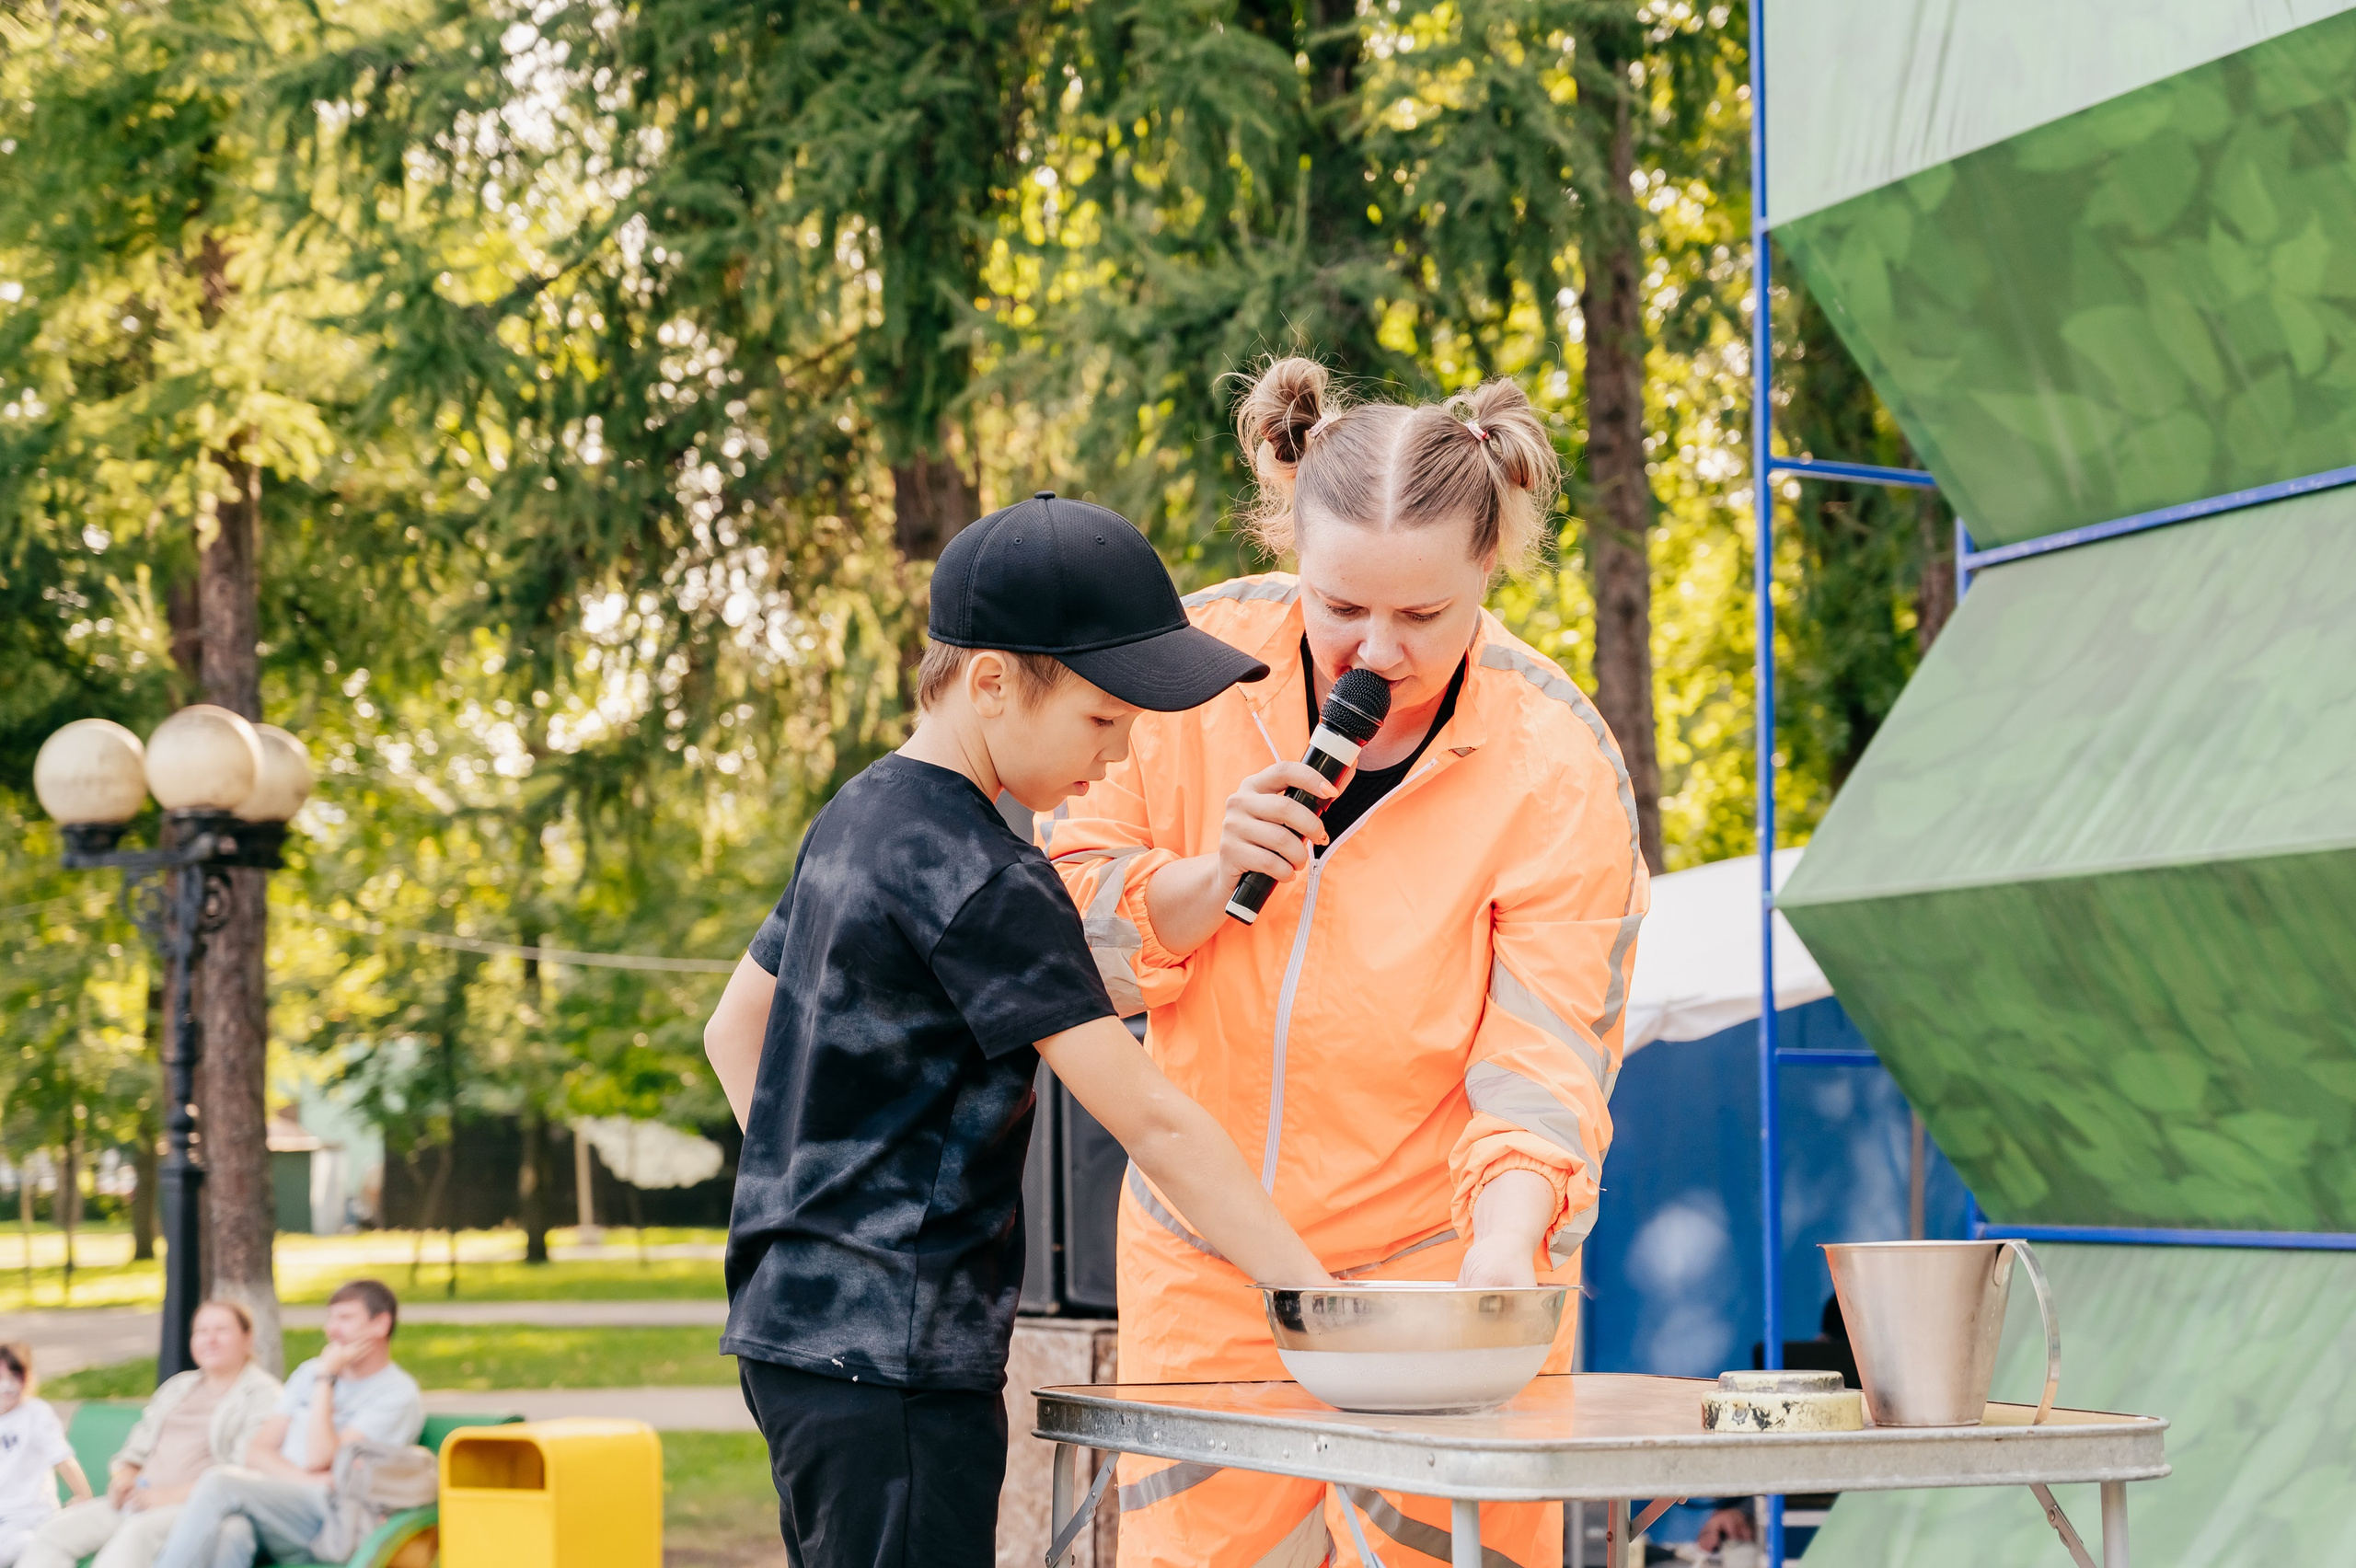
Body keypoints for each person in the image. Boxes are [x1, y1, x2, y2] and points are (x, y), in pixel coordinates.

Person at [1046, 359, 1648, 1568]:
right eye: (1339, 608)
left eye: (1422, 615)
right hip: (1206, 1267)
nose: (1376, 649)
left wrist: (1497, 1270)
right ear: (1289, 547)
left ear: (1492, 562)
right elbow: (1063, 922)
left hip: (1439, 1278)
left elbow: (1546, 1060)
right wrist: (1198, 885)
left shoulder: (1559, 761)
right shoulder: (1186, 671)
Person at [700, 491, 1332, 1568]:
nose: (1120, 755)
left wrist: (823, 1197)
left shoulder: (859, 816)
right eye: (1102, 720)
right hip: (899, 1360)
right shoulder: (991, 877)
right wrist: (1319, 1306)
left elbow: (734, 1025)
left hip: (796, 1335)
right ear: (990, 681)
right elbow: (1153, 1122)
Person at [148, 1281, 423, 1568]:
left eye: (345, 1318)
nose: (331, 1329)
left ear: (381, 1324)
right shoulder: (309, 1372)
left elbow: (322, 1460)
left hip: (331, 1520)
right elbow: (256, 1452)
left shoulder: (396, 1394)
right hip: (278, 1503)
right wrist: (301, 1479)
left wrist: (326, 1380)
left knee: (219, 1482)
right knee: (233, 1532)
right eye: (330, 1318)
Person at [20, 1303, 279, 1568]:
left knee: (134, 1536)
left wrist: (168, 1496)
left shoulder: (262, 1395)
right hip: (139, 1500)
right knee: (53, 1534)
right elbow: (136, 1449)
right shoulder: (178, 1387)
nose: (209, 1340)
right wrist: (124, 1478)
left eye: (221, 1330)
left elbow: (243, 1470)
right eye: (201, 1331)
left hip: (197, 1508)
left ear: (248, 1339)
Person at [0, 1344, 89, 1568]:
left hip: (29, 1519)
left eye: (15, 1376)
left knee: (26, 1547)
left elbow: (62, 1458)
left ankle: (48, 1553)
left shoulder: (35, 1413)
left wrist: (84, 1496)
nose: (7, 1385)